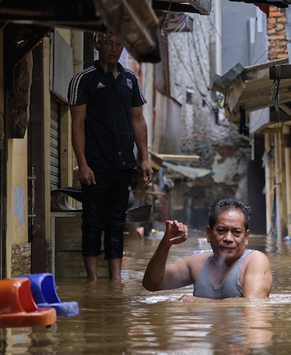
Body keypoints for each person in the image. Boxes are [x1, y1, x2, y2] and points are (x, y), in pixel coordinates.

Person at [68, 32, 153, 281]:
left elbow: (138, 120)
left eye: (119, 44)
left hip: (123, 163)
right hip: (95, 164)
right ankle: (93, 281)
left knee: (117, 222)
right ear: (97, 45)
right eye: (108, 43)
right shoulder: (84, 79)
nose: (114, 49)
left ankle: (115, 280)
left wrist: (145, 158)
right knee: (93, 221)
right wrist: (82, 164)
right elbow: (77, 124)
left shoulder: (130, 80)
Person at [141, 198, 272, 301]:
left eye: (236, 232)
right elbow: (151, 284)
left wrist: (198, 302)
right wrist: (165, 244)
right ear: (209, 234)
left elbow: (252, 306)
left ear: (246, 237)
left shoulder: (255, 261)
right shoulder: (196, 264)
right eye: (221, 230)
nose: (228, 238)